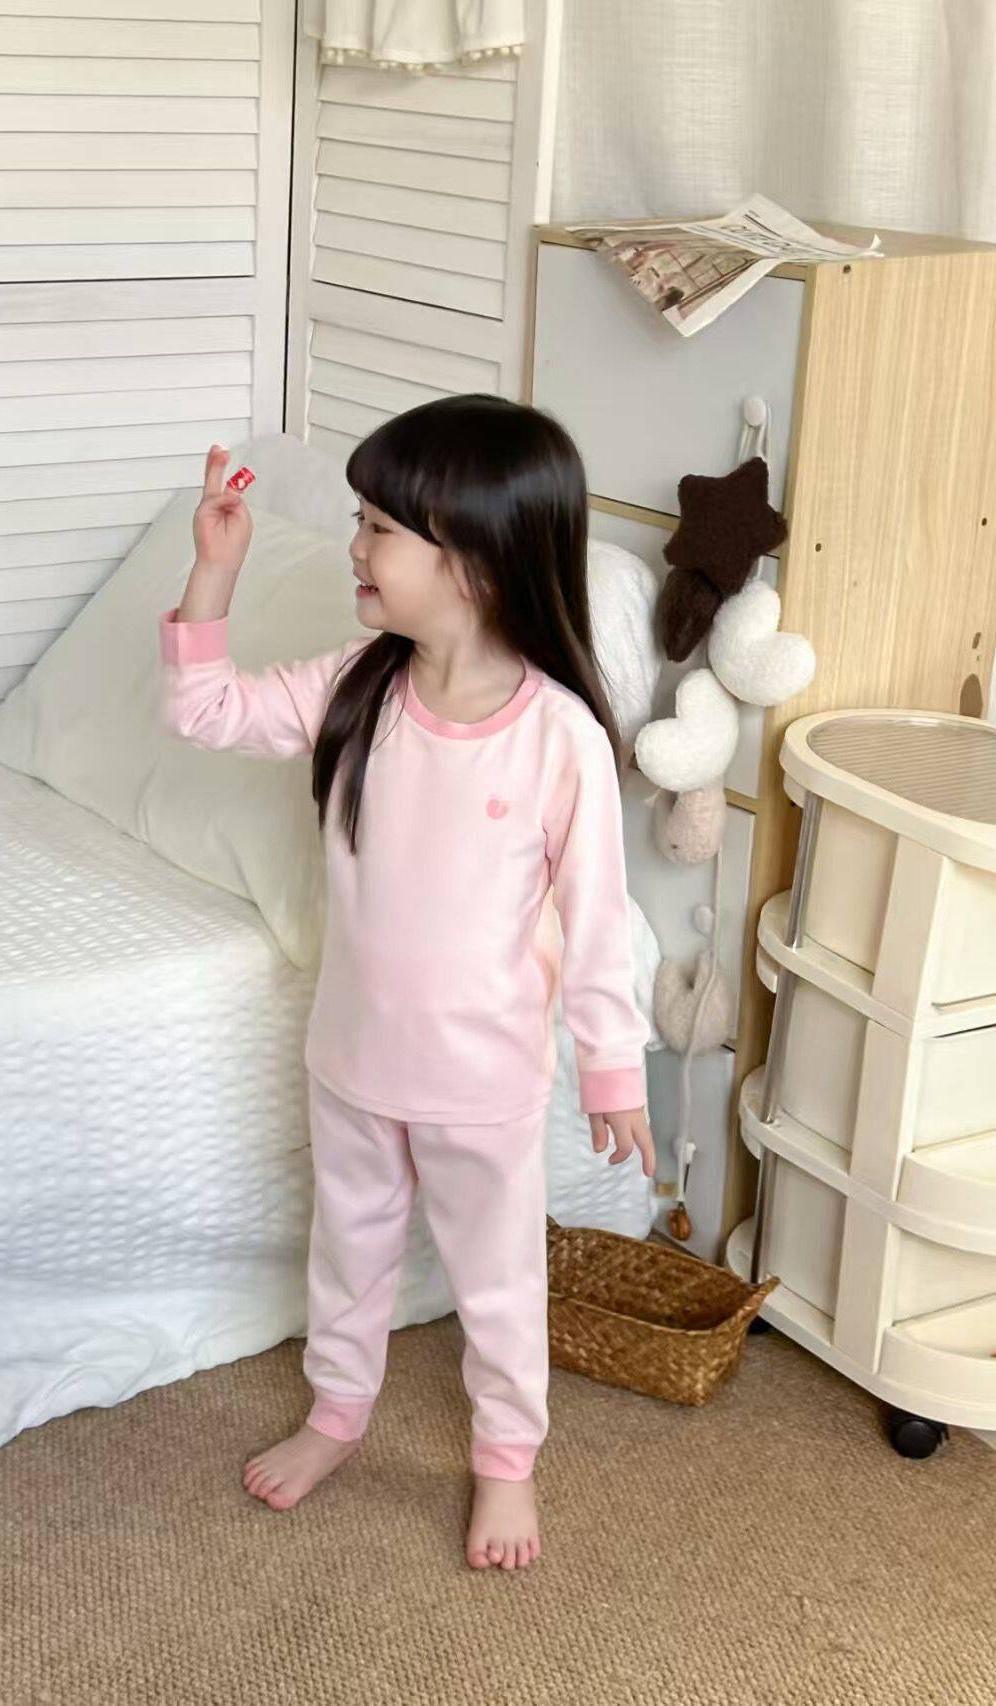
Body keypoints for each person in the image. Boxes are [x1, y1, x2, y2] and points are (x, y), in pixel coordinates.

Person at [158, 395, 655, 1572]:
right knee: (348, 1255)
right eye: (359, 519)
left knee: (497, 1281)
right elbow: (206, 710)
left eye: (380, 528)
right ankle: (337, 1413)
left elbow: (596, 921)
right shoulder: (358, 687)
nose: (355, 545)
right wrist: (213, 573)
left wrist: (611, 1070)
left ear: (474, 562)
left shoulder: (560, 739)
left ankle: (505, 1456)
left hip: (481, 1082)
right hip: (351, 1061)